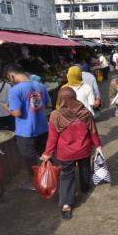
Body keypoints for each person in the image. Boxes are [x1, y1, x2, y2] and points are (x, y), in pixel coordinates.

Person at [40, 88, 102, 220]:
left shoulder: (55, 115)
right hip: (84, 150)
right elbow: (93, 131)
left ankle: (66, 204)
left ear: (60, 98)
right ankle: (85, 187)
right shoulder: (85, 112)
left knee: (66, 176)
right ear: (74, 97)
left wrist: (47, 153)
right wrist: (98, 146)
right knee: (85, 168)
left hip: (65, 153)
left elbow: (52, 138)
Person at [2, 63, 51, 190]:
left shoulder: (15, 90)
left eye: (9, 78)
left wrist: (7, 109)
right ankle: (51, 176)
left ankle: (34, 183)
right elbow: (48, 104)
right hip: (43, 128)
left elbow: (17, 113)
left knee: (29, 160)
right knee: (45, 155)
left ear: (11, 76)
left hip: (25, 132)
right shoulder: (40, 86)